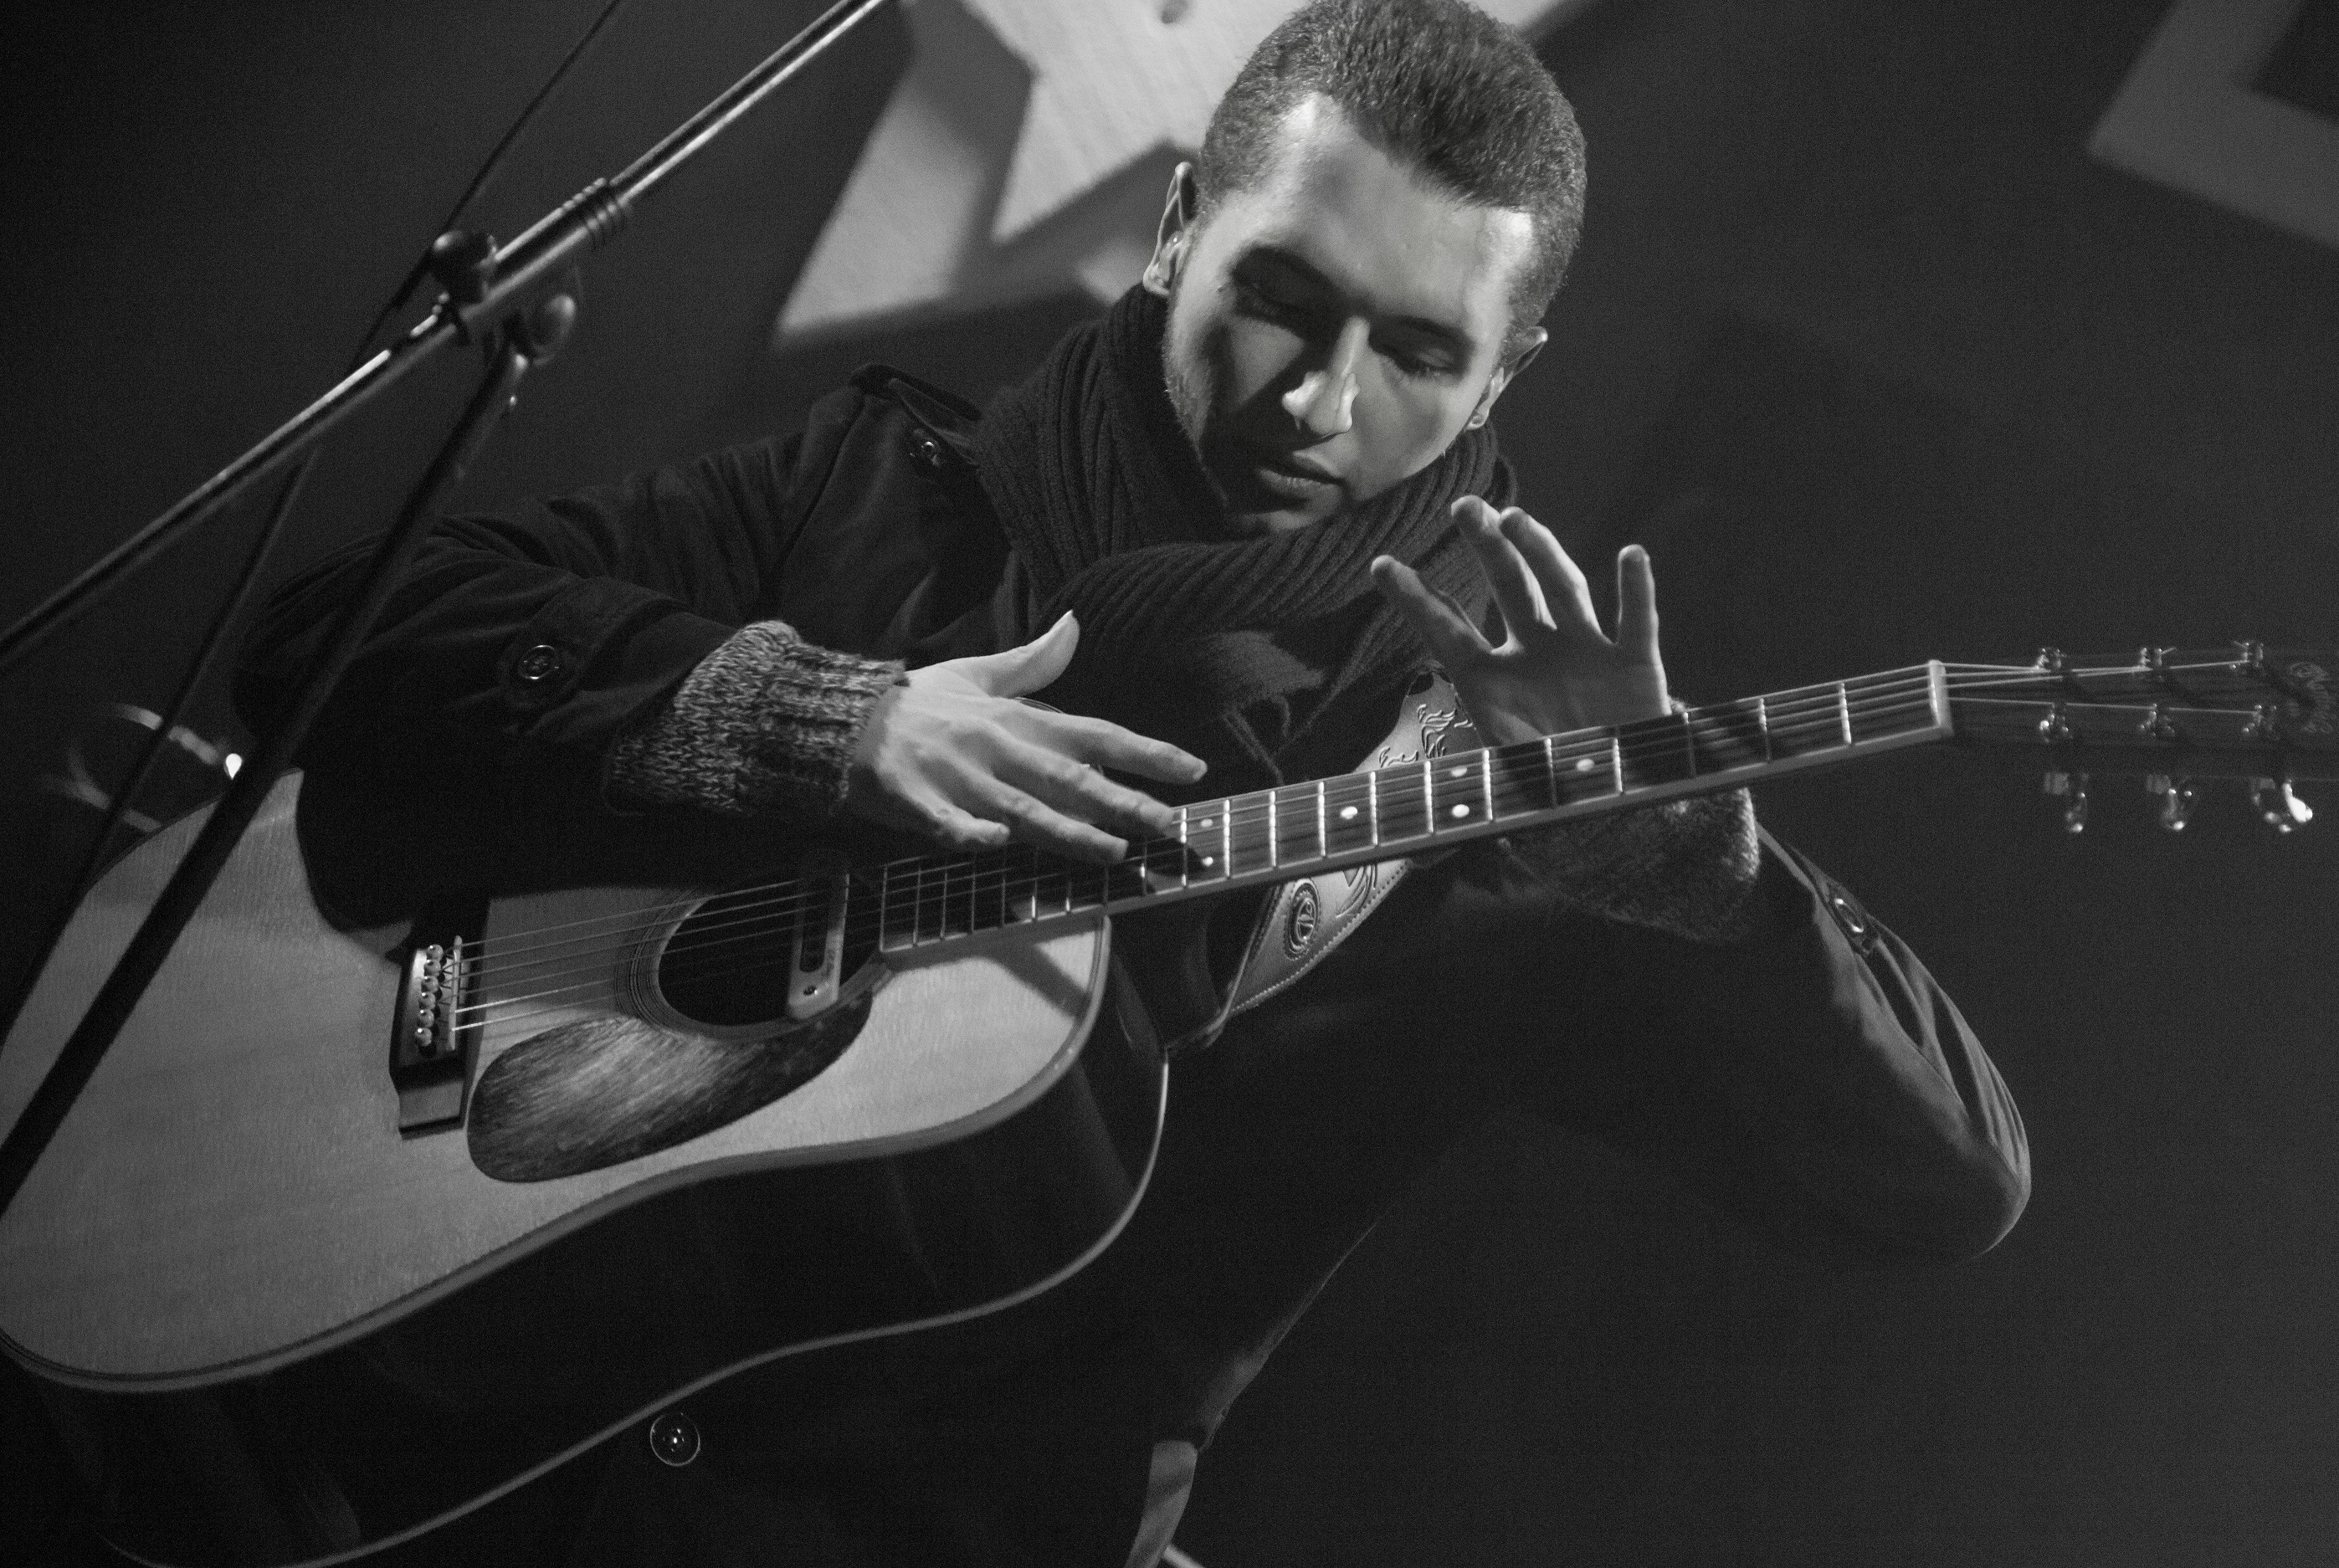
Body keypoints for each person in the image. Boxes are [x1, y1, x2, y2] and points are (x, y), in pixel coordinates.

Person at [239, 2, 2029, 1563]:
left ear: (1509, 373)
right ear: (1179, 232)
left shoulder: (1506, 786)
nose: (1321, 404)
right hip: (445, 1453)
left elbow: (1942, 1186)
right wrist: (822, 716)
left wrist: (1705, 875)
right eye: (1283, 300)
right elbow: (338, 634)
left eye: (1419, 355)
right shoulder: (887, 490)